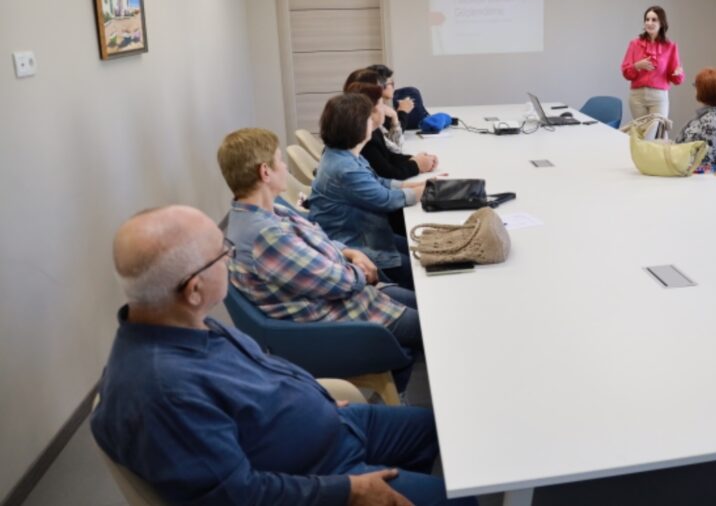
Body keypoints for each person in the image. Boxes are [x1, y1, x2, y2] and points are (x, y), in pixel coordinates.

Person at [92, 205, 475, 505]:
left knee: (447, 431)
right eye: (223, 253)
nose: (230, 259)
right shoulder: (164, 393)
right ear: (194, 288)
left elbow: (263, 367)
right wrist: (350, 491)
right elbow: (239, 496)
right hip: (323, 475)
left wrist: (314, 397)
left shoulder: (182, 321)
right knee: (456, 499)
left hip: (336, 424)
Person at [217, 128, 421, 350]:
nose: (285, 168)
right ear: (265, 172)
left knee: (431, 305)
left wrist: (349, 252)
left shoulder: (265, 212)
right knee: (437, 324)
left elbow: (317, 239)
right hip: (349, 320)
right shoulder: (265, 236)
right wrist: (361, 271)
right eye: (280, 161)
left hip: (354, 299)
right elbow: (337, 283)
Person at [309, 93, 425, 289]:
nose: (373, 121)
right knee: (421, 269)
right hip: (358, 245)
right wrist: (425, 191)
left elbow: (377, 181)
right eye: (368, 119)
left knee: (421, 251)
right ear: (358, 127)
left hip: (368, 233)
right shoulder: (345, 168)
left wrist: (413, 185)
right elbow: (386, 200)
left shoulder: (343, 153)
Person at [346, 80, 437, 180]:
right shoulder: (366, 139)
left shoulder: (374, 130)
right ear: (371, 110)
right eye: (381, 104)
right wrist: (416, 165)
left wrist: (415, 160)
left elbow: (388, 156)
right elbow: (387, 173)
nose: (385, 108)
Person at [620, 5, 684, 125]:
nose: (649, 23)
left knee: (657, 134)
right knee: (642, 134)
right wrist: (637, 66)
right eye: (647, 19)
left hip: (659, 97)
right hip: (637, 97)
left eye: (654, 20)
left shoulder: (670, 47)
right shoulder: (634, 44)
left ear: (662, 23)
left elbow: (675, 79)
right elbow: (626, 72)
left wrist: (678, 74)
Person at [675, 67, 716, 172]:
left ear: (705, 92)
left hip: (701, 174)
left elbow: (706, 161)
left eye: (696, 86)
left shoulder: (713, 121)